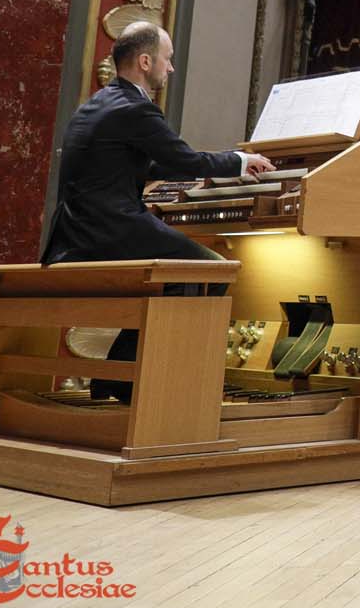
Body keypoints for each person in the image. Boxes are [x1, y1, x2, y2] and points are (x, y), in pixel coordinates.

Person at [43, 22, 274, 403]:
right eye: (167, 60)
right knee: (214, 270)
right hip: (109, 229)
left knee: (176, 278)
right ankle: (166, 386)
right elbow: (181, 157)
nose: (170, 69)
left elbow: (144, 167)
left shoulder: (97, 103)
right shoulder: (136, 108)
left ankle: (121, 382)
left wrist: (203, 170)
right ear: (145, 60)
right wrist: (239, 161)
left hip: (74, 233)